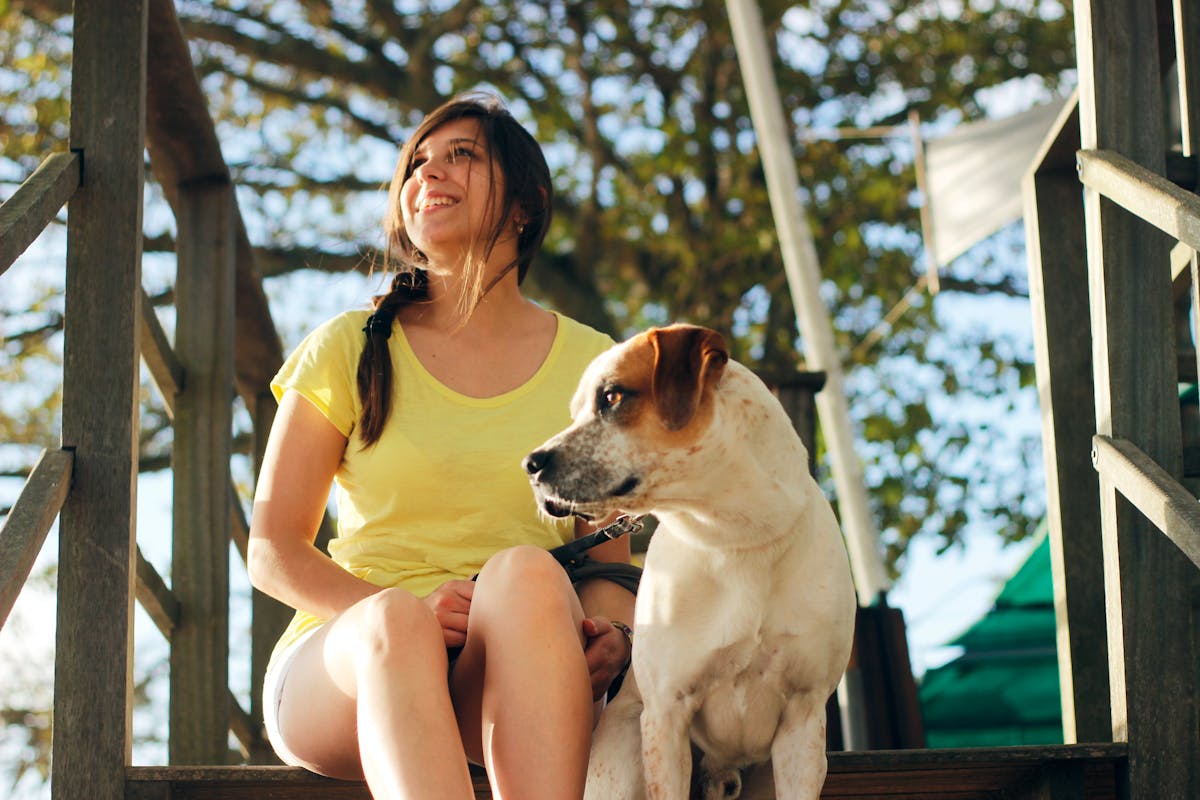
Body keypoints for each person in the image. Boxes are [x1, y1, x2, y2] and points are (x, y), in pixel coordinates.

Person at [247, 92, 637, 800]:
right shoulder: (347, 347)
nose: (428, 173)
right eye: (417, 163)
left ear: (525, 205)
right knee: (397, 621)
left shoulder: (592, 365)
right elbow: (273, 550)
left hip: (516, 666)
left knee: (526, 572)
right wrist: (414, 611)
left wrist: (614, 631)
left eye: (462, 156)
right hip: (349, 667)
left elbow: (608, 563)